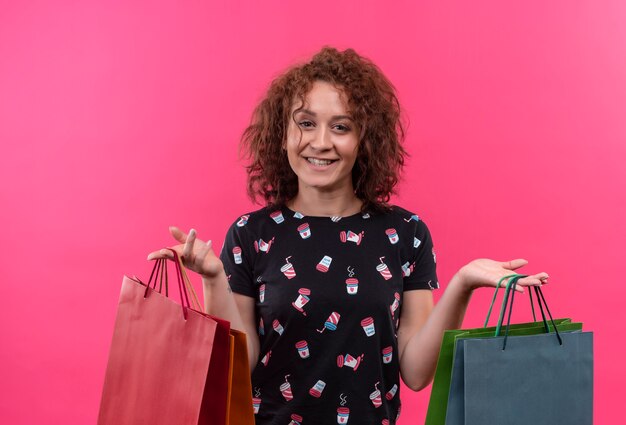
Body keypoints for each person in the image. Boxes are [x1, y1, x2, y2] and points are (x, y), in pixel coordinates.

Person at [147, 47, 548, 425]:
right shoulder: (251, 234)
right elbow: (241, 364)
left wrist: (462, 284)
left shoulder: (404, 233)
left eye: (341, 127)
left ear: (364, 140)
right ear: (282, 134)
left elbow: (415, 370)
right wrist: (213, 277)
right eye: (306, 123)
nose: (321, 142)